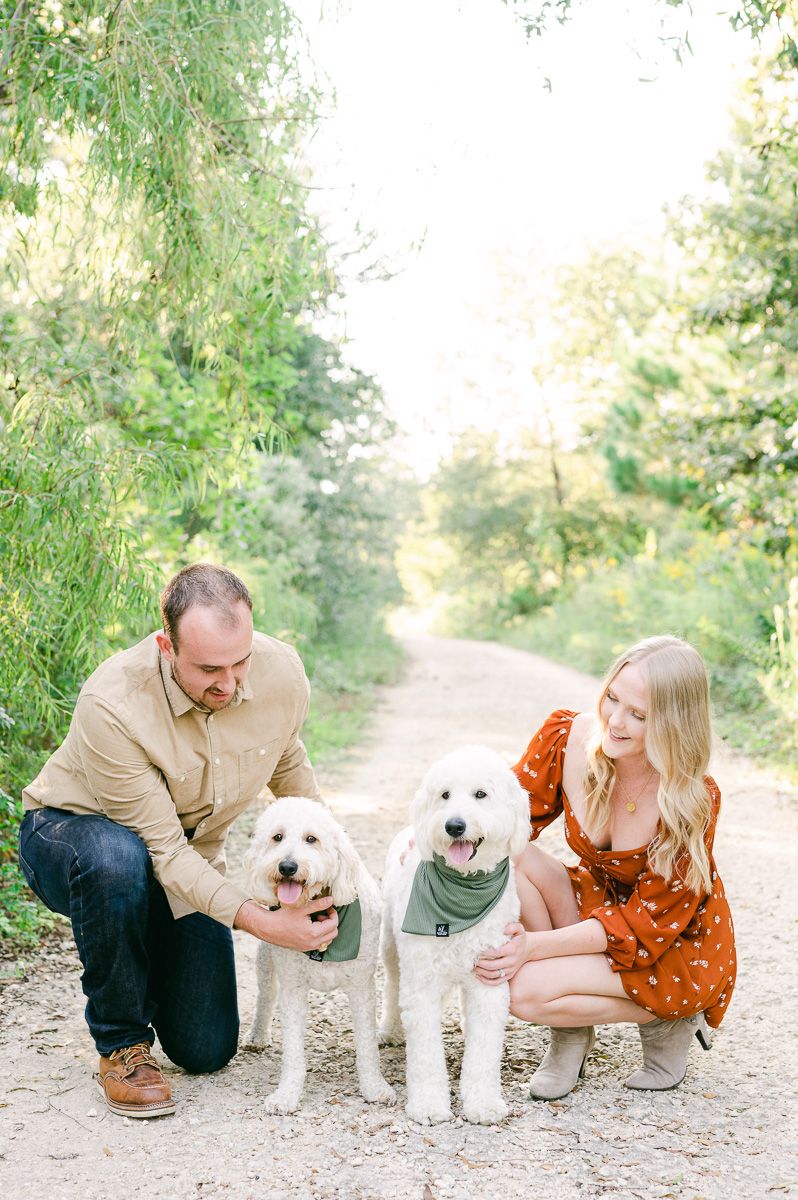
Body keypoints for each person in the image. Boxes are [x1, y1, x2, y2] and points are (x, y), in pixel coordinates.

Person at [18, 563, 338, 1119]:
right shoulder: (112, 704)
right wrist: (264, 923)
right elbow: (162, 851)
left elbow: (289, 766)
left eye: (240, 662)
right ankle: (121, 1043)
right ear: (167, 647)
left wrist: (330, 870)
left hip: (188, 859)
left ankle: (137, 943)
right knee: (118, 860)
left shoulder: (282, 672)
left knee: (205, 1050)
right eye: (209, 668)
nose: (229, 683)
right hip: (72, 837)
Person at [475, 635, 736, 1099]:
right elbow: (501, 819)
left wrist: (533, 947)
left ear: (673, 724)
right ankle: (571, 1031)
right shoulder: (566, 737)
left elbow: (644, 922)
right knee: (507, 850)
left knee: (524, 991)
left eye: (639, 714)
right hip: (600, 904)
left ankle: (670, 1017)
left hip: (670, 940)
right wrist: (436, 839)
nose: (615, 721)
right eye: (612, 697)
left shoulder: (691, 798)